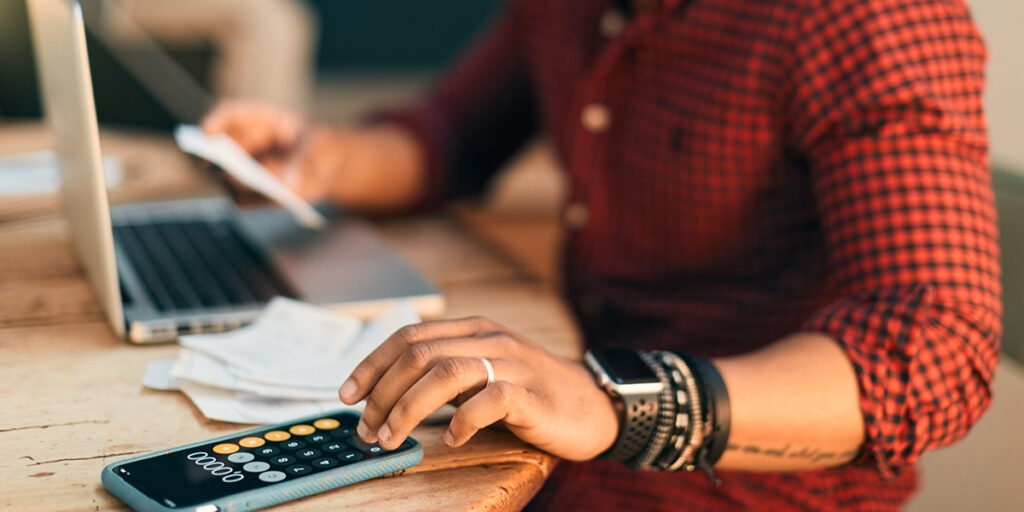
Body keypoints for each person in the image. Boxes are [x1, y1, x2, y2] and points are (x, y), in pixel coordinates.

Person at [201, 0, 1001, 510]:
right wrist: (321, 158)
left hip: (755, 485)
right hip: (562, 439)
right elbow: (454, 136)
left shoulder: (870, 15)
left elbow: (935, 349)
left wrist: (612, 401)